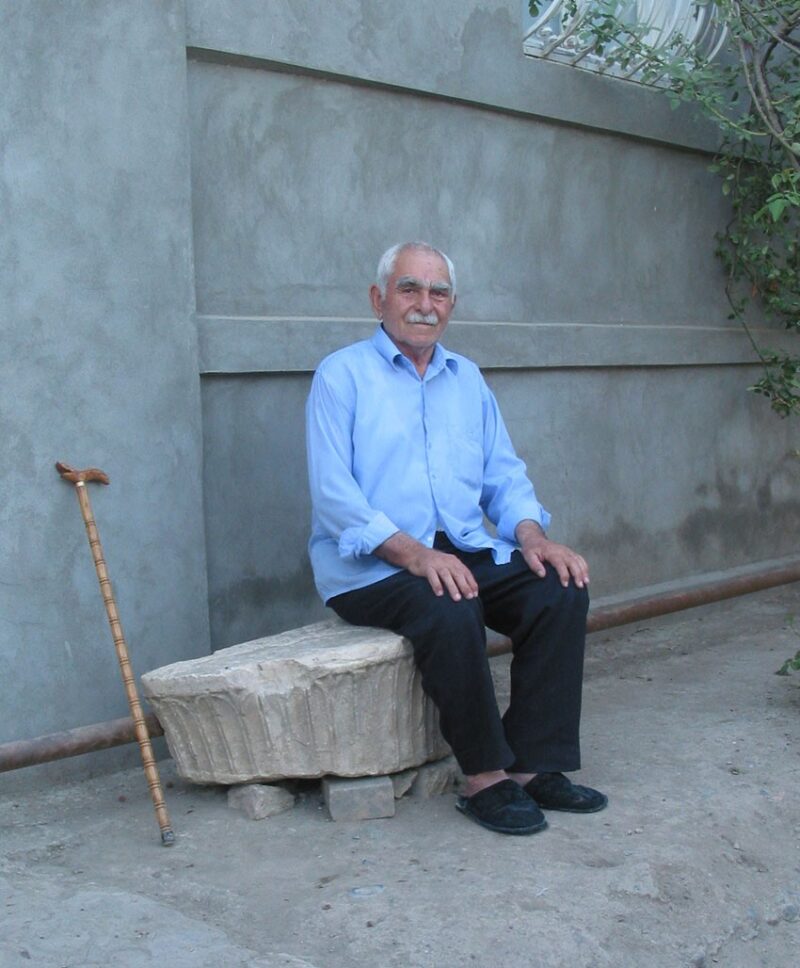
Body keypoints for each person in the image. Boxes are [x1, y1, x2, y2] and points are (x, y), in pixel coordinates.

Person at [305, 241, 606, 835]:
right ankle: (485, 777)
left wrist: (532, 536)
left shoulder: (466, 379)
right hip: (373, 567)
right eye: (409, 289)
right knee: (450, 601)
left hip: (461, 547)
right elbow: (335, 497)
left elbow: (503, 476)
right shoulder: (341, 376)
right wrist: (416, 555)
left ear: (451, 304)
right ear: (378, 299)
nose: (425, 303)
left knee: (558, 588)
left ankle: (530, 766)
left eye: (438, 292)